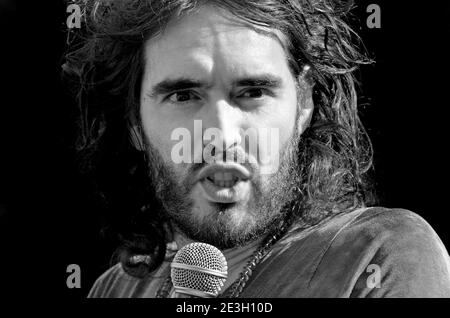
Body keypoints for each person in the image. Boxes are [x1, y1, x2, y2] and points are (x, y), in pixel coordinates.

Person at [63, 0, 450, 298]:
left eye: (253, 92)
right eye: (183, 95)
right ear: (134, 122)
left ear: (303, 104)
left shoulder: (378, 254)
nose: (222, 136)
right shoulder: (119, 286)